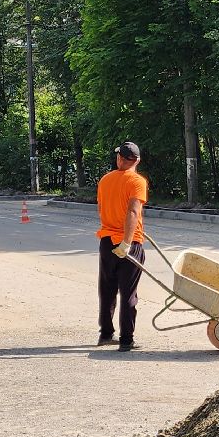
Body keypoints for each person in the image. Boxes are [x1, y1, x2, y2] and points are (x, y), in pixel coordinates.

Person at [96, 141, 148, 351]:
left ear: (120, 159)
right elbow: (133, 212)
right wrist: (126, 242)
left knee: (107, 289)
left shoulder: (105, 180)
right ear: (137, 161)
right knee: (128, 292)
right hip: (129, 243)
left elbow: (102, 207)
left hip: (107, 241)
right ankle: (126, 340)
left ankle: (106, 334)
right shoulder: (137, 181)